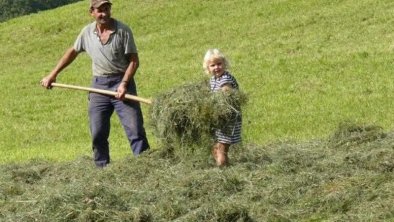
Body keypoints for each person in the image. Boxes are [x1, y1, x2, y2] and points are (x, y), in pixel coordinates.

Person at [40, 0, 150, 167]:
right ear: (92, 12)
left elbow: (134, 61)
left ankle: (145, 166)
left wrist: (124, 83)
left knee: (135, 130)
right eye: (100, 10)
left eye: (107, 9)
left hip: (122, 83)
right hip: (99, 86)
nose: (104, 14)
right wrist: (52, 75)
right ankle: (101, 170)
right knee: (97, 133)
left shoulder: (123, 31)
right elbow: (72, 52)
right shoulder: (87, 32)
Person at [203, 49, 242, 167]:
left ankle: (222, 171)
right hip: (218, 120)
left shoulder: (225, 79)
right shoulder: (213, 80)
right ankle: (227, 167)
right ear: (208, 68)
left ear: (224, 64)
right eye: (212, 65)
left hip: (228, 121)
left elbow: (225, 97)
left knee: (221, 149)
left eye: (219, 64)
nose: (216, 67)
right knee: (215, 148)